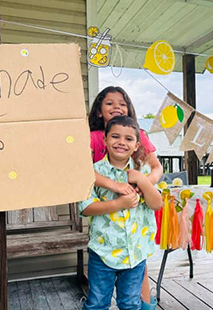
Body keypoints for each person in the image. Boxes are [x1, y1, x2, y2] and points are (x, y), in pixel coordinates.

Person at [88, 86, 163, 307]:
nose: (116, 107)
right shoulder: (93, 138)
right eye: (109, 103)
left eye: (122, 103)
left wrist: (143, 183)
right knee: (100, 294)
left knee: (137, 271)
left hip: (135, 227)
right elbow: (83, 171)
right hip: (107, 224)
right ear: (99, 110)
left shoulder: (140, 137)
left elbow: (156, 168)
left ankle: (146, 305)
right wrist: (116, 186)